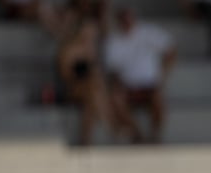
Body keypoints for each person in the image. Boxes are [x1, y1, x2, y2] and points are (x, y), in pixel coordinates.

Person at [104, 8, 176, 144]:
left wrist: (164, 72)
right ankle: (137, 133)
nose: (127, 23)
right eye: (123, 20)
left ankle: (156, 135)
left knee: (158, 99)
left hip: (150, 84)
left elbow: (171, 49)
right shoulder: (114, 40)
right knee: (115, 100)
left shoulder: (148, 33)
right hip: (128, 86)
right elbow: (113, 69)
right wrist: (117, 84)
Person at [56, 17, 112, 146]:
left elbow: (97, 73)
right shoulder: (68, 50)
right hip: (72, 89)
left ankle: (86, 140)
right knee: (93, 90)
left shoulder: (92, 50)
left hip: (90, 90)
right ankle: (109, 123)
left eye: (92, 34)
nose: (90, 36)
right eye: (87, 32)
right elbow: (66, 76)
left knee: (91, 102)